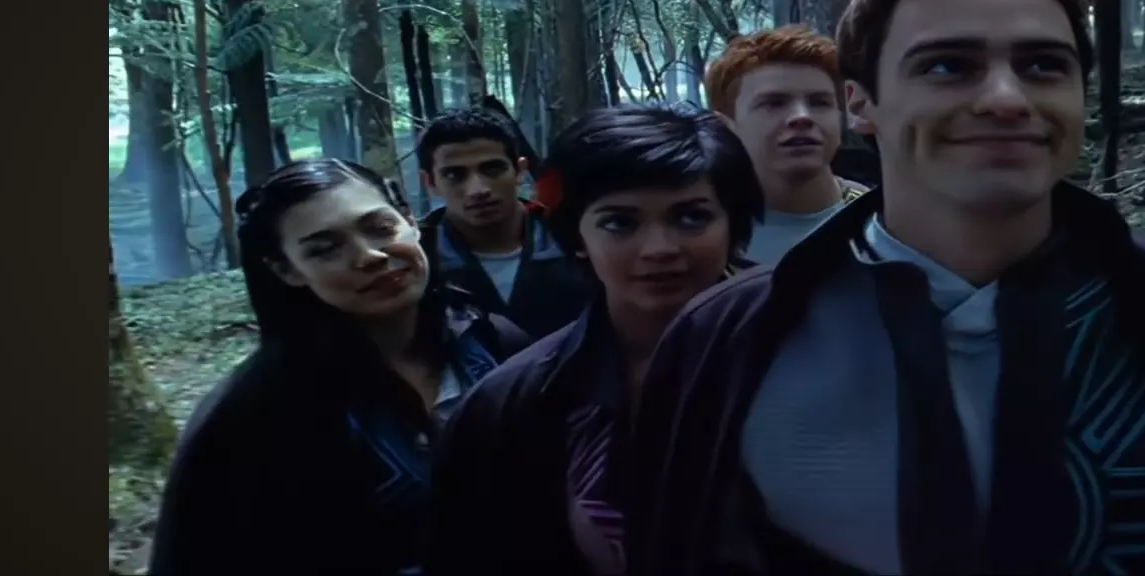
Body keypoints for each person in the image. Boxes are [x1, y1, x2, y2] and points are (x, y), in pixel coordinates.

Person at [629, 0, 1145, 576]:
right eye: (948, 65)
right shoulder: (730, 340)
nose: (1007, 98)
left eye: (1043, 65)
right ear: (861, 105)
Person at [426, 105, 764, 576]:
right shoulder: (510, 406)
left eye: (691, 217)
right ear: (577, 236)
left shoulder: (810, 352)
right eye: (620, 223)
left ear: (732, 223)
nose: (659, 248)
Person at [148, 159, 529, 576]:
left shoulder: (495, 343)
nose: (369, 256)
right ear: (286, 269)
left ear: (409, 220)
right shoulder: (254, 413)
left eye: (380, 228)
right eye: (324, 249)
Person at [416, 108, 591, 346]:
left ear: (520, 171)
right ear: (430, 182)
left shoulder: (575, 237)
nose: (478, 190)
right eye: (454, 175)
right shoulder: (419, 258)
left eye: (492, 169)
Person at [705, 25, 869, 264]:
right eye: (774, 103)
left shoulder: (883, 221)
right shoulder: (702, 236)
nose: (802, 116)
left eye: (819, 102)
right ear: (726, 127)